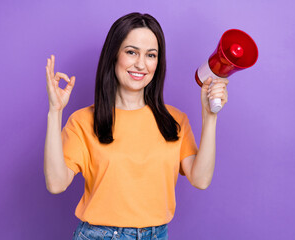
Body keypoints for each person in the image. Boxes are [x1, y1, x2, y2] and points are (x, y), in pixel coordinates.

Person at [44, 12, 228, 240]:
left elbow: (200, 180)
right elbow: (56, 183)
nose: (141, 64)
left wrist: (210, 117)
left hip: (157, 235)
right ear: (114, 56)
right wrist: (55, 112)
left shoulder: (175, 121)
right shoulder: (83, 121)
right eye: (131, 52)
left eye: (151, 55)